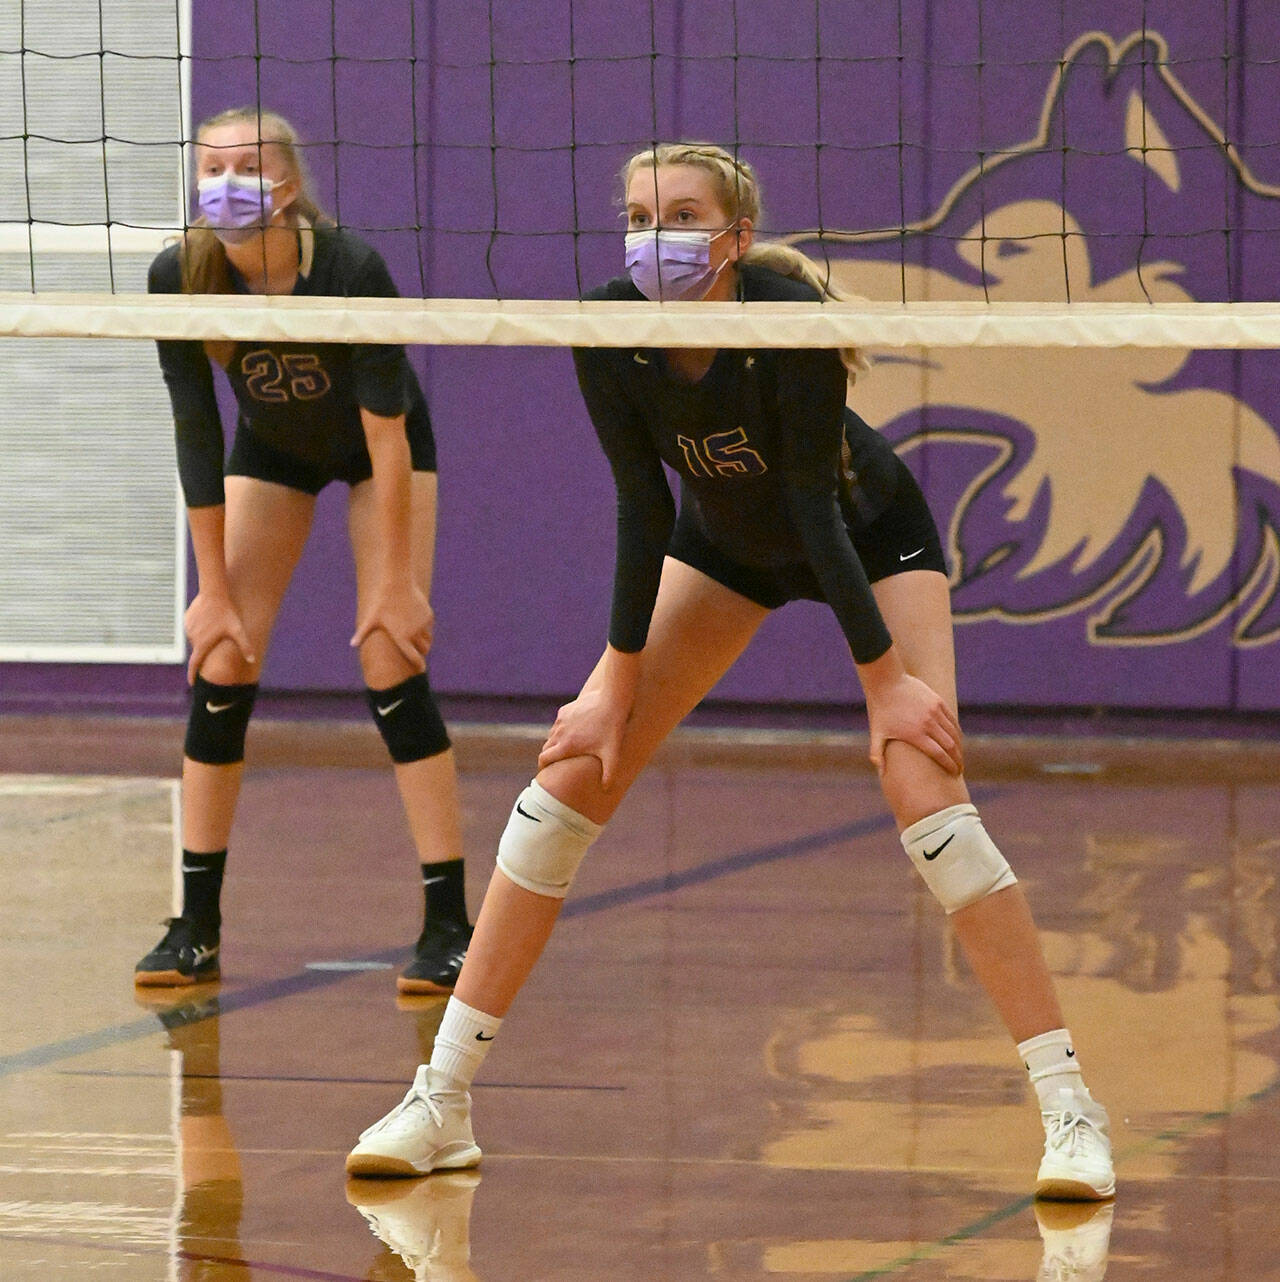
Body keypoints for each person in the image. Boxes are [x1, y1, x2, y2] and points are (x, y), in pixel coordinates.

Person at [346, 143, 1115, 1201]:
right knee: (570, 777)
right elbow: (641, 505)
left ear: (736, 237)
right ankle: (441, 1101)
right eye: (638, 215)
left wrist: (886, 686)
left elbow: (812, 504)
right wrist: (613, 683)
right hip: (723, 546)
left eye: (680, 215)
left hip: (866, 534)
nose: (653, 235)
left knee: (924, 788)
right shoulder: (609, 327)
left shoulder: (783, 324)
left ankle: (1070, 1109)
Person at [136, 106, 470, 995]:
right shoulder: (180, 274)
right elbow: (196, 432)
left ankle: (449, 924)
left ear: (286, 186)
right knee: (223, 656)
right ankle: (195, 927)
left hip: (380, 452)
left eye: (247, 167)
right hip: (273, 450)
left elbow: (386, 435)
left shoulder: (351, 268)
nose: (226, 184)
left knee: (390, 655)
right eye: (211, 168)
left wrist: (394, 584)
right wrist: (212, 591)